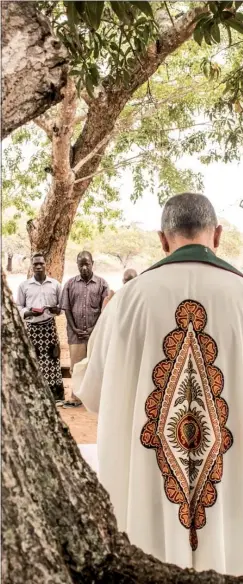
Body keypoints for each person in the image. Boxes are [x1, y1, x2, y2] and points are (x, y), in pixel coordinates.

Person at [72, 193, 243, 575]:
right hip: (233, 488)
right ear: (216, 234)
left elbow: (94, 392)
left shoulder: (128, 300)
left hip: (149, 492)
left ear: (162, 240)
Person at [60, 251, 109, 403]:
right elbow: (66, 308)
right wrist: (74, 328)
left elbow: (105, 309)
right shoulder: (70, 284)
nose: (84, 268)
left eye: (87, 264)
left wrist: (93, 329)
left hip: (96, 334)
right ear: (77, 265)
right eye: (81, 265)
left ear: (92, 263)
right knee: (76, 367)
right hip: (75, 335)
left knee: (95, 366)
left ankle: (94, 399)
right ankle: (76, 398)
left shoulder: (102, 284)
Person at [17, 253, 64, 401]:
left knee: (53, 358)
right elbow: (18, 306)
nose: (38, 266)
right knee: (33, 359)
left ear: (46, 264)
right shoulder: (24, 286)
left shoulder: (55, 285)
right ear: (32, 266)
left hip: (49, 327)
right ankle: (34, 394)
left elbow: (62, 307)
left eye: (41, 264)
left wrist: (56, 310)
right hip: (32, 328)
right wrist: (28, 312)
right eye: (35, 264)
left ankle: (54, 396)